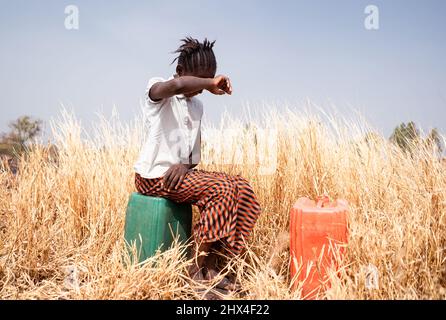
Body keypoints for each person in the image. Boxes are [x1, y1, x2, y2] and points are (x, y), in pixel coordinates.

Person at [133, 36, 261, 293]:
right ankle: (195, 270)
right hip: (153, 177)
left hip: (178, 177)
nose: (202, 89)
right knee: (221, 189)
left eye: (208, 80)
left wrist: (184, 165)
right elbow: (179, 85)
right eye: (200, 81)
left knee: (241, 187)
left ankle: (214, 267)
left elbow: (193, 155)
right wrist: (210, 82)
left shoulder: (197, 106)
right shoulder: (159, 90)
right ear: (181, 71)